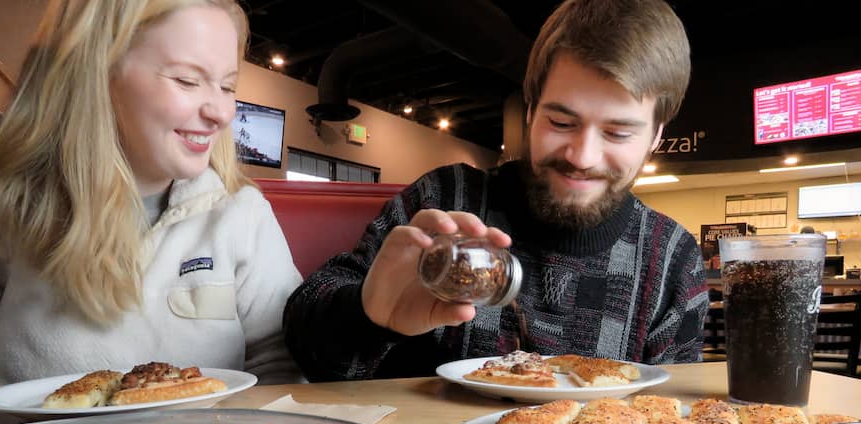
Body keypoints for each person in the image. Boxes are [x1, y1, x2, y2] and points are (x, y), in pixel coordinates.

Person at [282, 0, 707, 381]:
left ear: (655, 136)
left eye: (617, 133)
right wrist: (369, 316)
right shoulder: (445, 199)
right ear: (530, 109)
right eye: (561, 123)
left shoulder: (672, 260)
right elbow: (306, 347)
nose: (582, 155)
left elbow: (672, 421)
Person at [0, 0, 303, 421]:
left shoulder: (241, 214)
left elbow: (282, 365)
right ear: (96, 75)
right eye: (187, 81)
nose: (221, 113)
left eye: (226, 86)